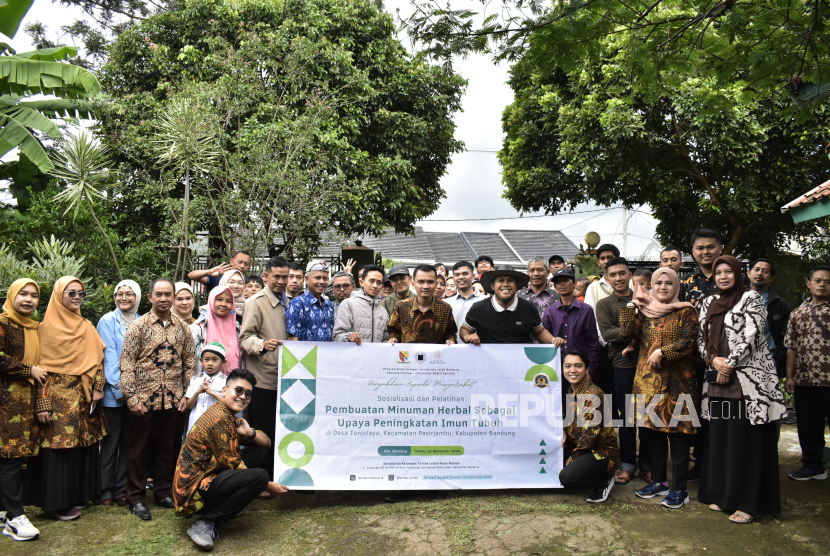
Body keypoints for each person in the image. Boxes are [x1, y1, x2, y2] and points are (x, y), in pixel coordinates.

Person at [697, 255, 786, 523]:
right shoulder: (708, 302)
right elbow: (701, 339)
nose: (723, 276)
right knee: (723, 440)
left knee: (747, 443)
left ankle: (748, 503)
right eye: (718, 272)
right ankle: (725, 497)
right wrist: (714, 361)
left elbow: (753, 334)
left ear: (738, 273)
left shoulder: (750, 298)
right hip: (716, 382)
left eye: (728, 272)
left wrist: (728, 365)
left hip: (748, 383)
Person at [174, 369, 288, 551]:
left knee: (259, 452)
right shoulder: (218, 419)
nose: (243, 397)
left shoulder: (229, 417)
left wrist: (250, 433)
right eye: (239, 391)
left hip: (208, 477)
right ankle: (206, 522)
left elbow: (266, 443)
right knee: (259, 477)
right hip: (193, 492)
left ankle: (227, 506)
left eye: (248, 394)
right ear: (225, 391)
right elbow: (233, 463)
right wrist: (267, 485)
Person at [26, 276, 107, 521]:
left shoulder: (86, 326)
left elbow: (98, 361)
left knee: (84, 447)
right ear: (59, 294)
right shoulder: (42, 329)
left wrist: (99, 387)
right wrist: (42, 403)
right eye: (71, 293)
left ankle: (79, 494)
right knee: (58, 449)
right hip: (57, 398)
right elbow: (39, 370)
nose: (77, 298)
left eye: (81, 294)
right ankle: (57, 503)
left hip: (84, 398)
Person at [621, 268, 699, 509]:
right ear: (651, 286)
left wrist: (663, 352)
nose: (663, 287)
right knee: (653, 434)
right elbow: (626, 333)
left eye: (668, 283)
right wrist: (632, 305)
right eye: (658, 283)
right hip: (648, 382)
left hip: (678, 382)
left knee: (677, 437)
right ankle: (659, 481)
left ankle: (680, 489)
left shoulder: (686, 311)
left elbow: (688, 342)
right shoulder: (644, 311)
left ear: (676, 286)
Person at [120, 278, 197, 521]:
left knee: (167, 448)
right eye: (159, 294)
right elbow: (127, 363)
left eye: (168, 294)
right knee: (139, 450)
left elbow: (190, 363)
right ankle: (135, 497)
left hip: (173, 399)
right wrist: (132, 398)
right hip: (144, 398)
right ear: (151, 297)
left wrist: (187, 394)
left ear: (173, 297)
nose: (164, 298)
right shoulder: (138, 326)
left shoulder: (183, 328)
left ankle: (163, 492)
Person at [594, 258, 651, 485]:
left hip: (649, 364)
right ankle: (627, 465)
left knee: (649, 416)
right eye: (613, 275)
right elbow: (608, 335)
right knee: (628, 417)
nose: (618, 278)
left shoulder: (647, 298)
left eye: (622, 273)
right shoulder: (605, 304)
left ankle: (647, 465)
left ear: (629, 274)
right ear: (606, 279)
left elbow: (655, 327)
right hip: (624, 364)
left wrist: (626, 331)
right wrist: (634, 329)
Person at [0, 279, 48, 540]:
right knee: (10, 459)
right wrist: (28, 369)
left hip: (24, 402)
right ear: (12, 296)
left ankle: (4, 512)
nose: (28, 300)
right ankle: (15, 516)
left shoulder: (34, 328)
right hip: (5, 402)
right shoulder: (3, 323)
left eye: (34, 296)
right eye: (23, 294)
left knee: (12, 459)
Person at [239, 256, 289, 484]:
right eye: (276, 276)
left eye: (285, 276)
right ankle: (261, 481)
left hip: (290, 377)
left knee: (286, 431)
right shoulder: (255, 302)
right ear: (265, 276)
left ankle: (283, 477)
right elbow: (246, 338)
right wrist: (262, 345)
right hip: (265, 379)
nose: (281, 281)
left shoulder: (292, 301)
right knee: (263, 432)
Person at [96, 280, 141, 508]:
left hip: (136, 396)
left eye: (129, 294)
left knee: (129, 443)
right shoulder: (107, 321)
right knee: (111, 443)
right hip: (114, 395)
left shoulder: (142, 321)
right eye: (120, 294)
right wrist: (121, 390)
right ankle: (105, 488)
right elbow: (109, 358)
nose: (124, 298)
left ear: (138, 297)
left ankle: (122, 488)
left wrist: (135, 393)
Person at [783, 265, 830, 481]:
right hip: (805, 379)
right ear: (809, 283)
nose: (822, 284)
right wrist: (790, 376)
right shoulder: (797, 313)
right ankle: (813, 466)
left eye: (827, 281)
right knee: (808, 424)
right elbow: (790, 346)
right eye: (818, 280)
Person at [559, 351, 619, 503]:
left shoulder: (593, 394)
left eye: (578, 366)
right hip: (578, 445)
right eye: (568, 366)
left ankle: (602, 482)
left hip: (600, 452)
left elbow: (589, 439)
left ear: (586, 369)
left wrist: (569, 463)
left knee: (566, 477)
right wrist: (563, 431)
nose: (572, 370)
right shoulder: (568, 391)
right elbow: (566, 420)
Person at [460, 265, 554, 345]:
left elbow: (539, 332)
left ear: (517, 285)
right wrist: (468, 336)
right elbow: (465, 329)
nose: (505, 284)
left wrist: (553, 340)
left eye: (510, 280)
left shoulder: (529, 308)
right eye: (500, 280)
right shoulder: (479, 308)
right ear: (492, 285)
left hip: (521, 362)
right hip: (488, 363)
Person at [542, 268, 599, 376]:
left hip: (580, 367)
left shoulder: (586, 310)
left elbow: (592, 342)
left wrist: (590, 369)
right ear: (555, 286)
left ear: (574, 283)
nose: (562, 284)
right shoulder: (550, 311)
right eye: (558, 282)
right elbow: (544, 339)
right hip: (556, 368)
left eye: (566, 280)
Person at [387, 265, 457, 346]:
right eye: (421, 282)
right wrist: (393, 338)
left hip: (435, 356)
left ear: (435, 284)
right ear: (413, 284)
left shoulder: (445, 308)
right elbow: (393, 331)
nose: (426, 286)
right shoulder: (401, 306)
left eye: (430, 282)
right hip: (408, 356)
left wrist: (450, 340)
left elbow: (451, 333)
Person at [749, 258, 791, 378]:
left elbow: (790, 334)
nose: (759, 273)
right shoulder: (737, 299)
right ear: (749, 273)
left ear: (772, 277)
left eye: (765, 271)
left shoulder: (779, 304)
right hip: (741, 361)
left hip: (769, 361)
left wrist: (778, 356)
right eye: (756, 269)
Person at [191, 286, 242, 375]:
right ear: (211, 301)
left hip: (233, 383)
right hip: (205, 384)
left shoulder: (237, 329)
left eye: (229, 301)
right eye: (219, 300)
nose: (224, 304)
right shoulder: (199, 328)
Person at [333, 265, 389, 344]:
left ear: (382, 286)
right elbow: (337, 337)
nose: (375, 285)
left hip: (377, 356)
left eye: (378, 282)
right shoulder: (348, 304)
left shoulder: (383, 312)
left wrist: (390, 342)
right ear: (361, 282)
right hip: (353, 356)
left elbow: (384, 339)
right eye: (371, 281)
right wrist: (349, 337)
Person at [183, 342, 228, 436]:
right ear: (201, 360)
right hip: (195, 426)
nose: (210, 363)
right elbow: (189, 406)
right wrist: (198, 392)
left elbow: (228, 406)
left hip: (216, 426)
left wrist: (212, 393)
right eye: (206, 359)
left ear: (223, 362)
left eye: (215, 360)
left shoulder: (226, 381)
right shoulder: (195, 379)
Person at [286, 260, 335, 342]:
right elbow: (292, 338)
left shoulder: (328, 304)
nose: (322, 282)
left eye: (325, 278)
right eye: (317, 278)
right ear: (307, 279)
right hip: (307, 354)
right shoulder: (297, 303)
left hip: (328, 353)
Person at [680, 229, 723, 308]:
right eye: (700, 248)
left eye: (711, 247)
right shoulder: (683, 283)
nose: (706, 252)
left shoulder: (734, 279)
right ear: (693, 252)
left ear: (720, 249)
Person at [188, 251, 252, 296]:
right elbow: (191, 275)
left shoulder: (247, 283)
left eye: (246, 264)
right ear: (231, 261)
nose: (242, 266)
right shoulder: (218, 277)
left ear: (249, 267)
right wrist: (209, 272)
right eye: (240, 262)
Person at [447, 261, 486, 331]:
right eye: (457, 274)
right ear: (453, 278)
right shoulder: (446, 303)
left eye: (465, 274)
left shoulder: (487, 301)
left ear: (473, 276)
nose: (461, 277)